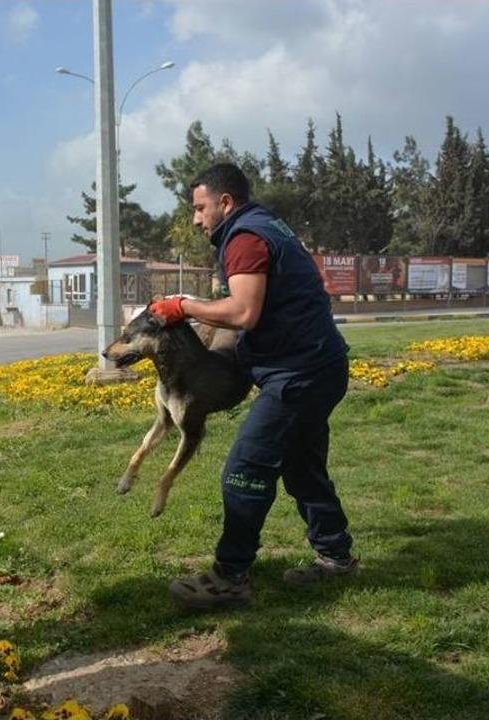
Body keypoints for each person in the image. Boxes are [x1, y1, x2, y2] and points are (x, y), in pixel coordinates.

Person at [149, 162, 356, 610]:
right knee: (301, 464)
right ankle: (336, 556)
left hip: (299, 374)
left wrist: (183, 306)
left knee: (245, 468)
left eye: (200, 208)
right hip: (319, 364)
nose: (196, 218)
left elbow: (244, 313)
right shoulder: (265, 227)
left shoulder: (245, 239)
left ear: (225, 202)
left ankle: (231, 576)